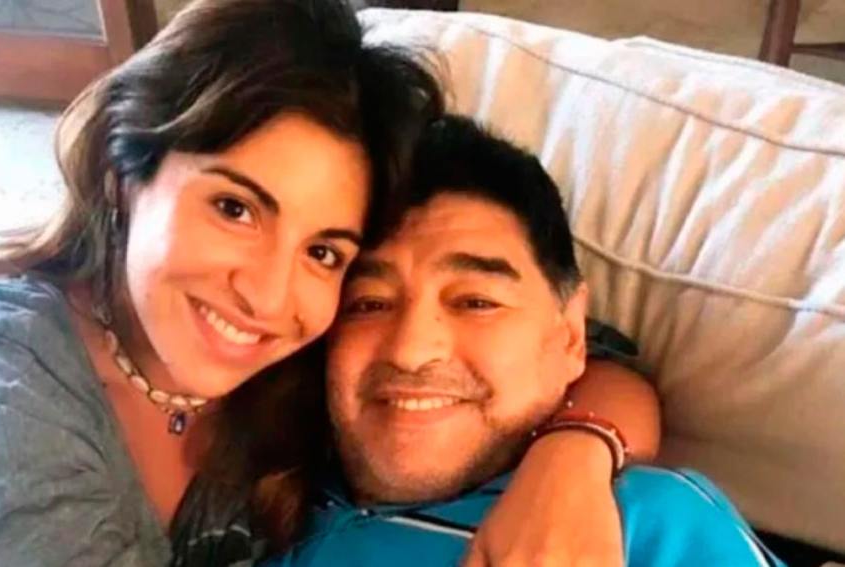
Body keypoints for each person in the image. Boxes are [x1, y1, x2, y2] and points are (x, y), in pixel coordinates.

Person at [0, 2, 658, 566]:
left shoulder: (305, 353)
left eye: (324, 250)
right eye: (235, 208)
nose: (266, 296)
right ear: (126, 174)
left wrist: (573, 460)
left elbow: (583, 356)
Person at [263, 115, 784, 567]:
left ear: (570, 335)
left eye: (476, 302)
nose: (411, 350)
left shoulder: (642, 525)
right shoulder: (257, 495)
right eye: (369, 304)